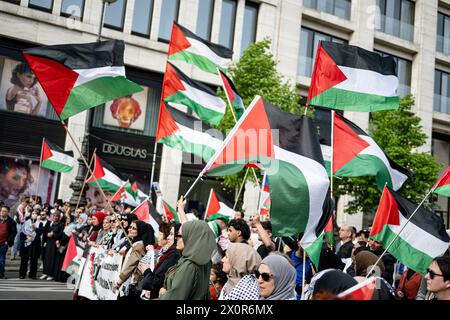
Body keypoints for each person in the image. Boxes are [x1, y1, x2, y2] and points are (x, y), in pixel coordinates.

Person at [159, 220, 216, 300]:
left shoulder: (189, 265)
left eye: (179, 235)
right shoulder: (204, 259)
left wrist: (163, 294)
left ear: (191, 238)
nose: (176, 238)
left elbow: (175, 297)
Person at [139, 223, 182, 299]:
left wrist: (146, 271)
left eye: (171, 234)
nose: (168, 237)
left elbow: (158, 281)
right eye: (169, 234)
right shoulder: (168, 253)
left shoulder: (174, 256)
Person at [115, 220, 155, 297]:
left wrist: (119, 282)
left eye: (133, 228)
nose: (129, 229)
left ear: (140, 231)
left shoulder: (138, 246)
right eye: (130, 227)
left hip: (131, 283)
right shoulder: (135, 243)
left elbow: (130, 266)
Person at [41, 210, 64, 281]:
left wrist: (53, 234)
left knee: (52, 258)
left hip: (54, 242)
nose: (55, 217)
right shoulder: (51, 223)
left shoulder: (61, 224)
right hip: (49, 242)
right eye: (54, 216)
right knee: (46, 257)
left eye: (56, 216)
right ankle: (45, 272)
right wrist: (46, 237)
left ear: (59, 217)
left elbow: (61, 234)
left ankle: (51, 274)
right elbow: (46, 231)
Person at [18, 209, 36, 279]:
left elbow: (41, 233)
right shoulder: (26, 222)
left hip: (34, 244)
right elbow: (21, 233)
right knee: (24, 259)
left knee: (33, 260)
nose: (34, 214)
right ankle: (22, 274)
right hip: (26, 243)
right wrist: (27, 236)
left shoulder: (39, 223)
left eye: (36, 213)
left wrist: (35, 229)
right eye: (33, 213)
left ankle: (32, 274)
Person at [0, 205, 17, 279]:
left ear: (8, 212)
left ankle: (1, 273)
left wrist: (8, 241)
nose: (2, 212)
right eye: (1, 211)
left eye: (4, 211)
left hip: (4, 243)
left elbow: (14, 232)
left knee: (1, 259)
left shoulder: (11, 221)